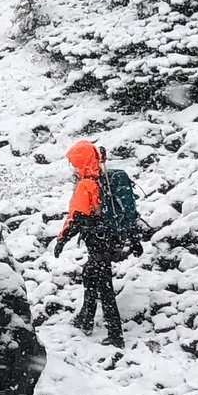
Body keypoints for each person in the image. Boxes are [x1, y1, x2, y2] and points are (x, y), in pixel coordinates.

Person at [52, 140, 132, 347]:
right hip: (109, 239)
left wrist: (62, 239)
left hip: (97, 242)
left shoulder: (86, 184)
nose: (72, 166)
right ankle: (86, 319)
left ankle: (115, 336)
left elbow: (75, 217)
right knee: (90, 275)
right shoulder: (102, 178)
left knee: (104, 287)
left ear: (80, 161)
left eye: (74, 162)